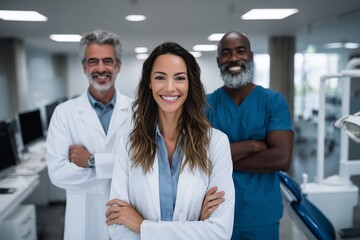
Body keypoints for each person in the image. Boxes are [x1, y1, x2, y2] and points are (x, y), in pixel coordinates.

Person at [105, 42, 235, 239]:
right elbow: (117, 227)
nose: (170, 87)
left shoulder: (216, 143)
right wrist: (196, 226)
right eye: (160, 77)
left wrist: (142, 226)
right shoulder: (128, 145)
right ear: (149, 83)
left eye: (180, 78)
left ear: (190, 83)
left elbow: (219, 232)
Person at [205, 31, 294, 240]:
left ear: (251, 56)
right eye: (226, 53)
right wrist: (253, 146)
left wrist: (221, 159)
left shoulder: (272, 101)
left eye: (241, 51)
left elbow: (282, 158)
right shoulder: (206, 105)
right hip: (216, 213)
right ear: (219, 61)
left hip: (261, 214)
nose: (234, 58)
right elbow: (200, 158)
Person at [46, 29, 133, 240]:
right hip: (83, 222)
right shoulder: (64, 113)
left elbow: (143, 164)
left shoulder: (137, 111)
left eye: (107, 61)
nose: (101, 68)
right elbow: (58, 173)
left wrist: (91, 161)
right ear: (84, 67)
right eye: (93, 61)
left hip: (128, 218)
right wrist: (118, 173)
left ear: (118, 66)